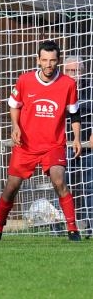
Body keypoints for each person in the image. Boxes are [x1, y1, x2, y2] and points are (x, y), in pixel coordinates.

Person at [0, 41, 82, 241]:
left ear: (58, 61)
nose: (49, 64)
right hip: (26, 145)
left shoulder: (68, 84)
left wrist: (77, 139)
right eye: (45, 60)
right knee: (11, 186)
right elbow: (14, 105)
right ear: (38, 60)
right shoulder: (25, 80)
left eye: (53, 60)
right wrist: (16, 127)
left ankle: (73, 230)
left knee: (59, 180)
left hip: (53, 144)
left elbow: (74, 114)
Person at [64, 55, 93, 238]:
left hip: (89, 144)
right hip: (63, 143)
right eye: (70, 71)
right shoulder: (58, 86)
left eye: (78, 71)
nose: (74, 75)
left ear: (84, 72)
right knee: (61, 184)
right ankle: (59, 227)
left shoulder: (90, 89)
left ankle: (91, 225)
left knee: (90, 185)